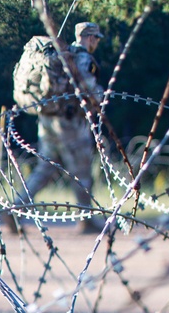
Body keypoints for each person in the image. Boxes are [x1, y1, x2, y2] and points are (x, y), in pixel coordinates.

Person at [12, 21, 105, 234]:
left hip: (48, 120)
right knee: (82, 171)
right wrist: (101, 98)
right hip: (70, 124)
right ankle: (86, 218)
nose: (97, 42)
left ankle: (16, 207)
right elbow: (89, 91)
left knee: (44, 170)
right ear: (90, 38)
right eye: (96, 38)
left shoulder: (62, 55)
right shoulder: (83, 59)